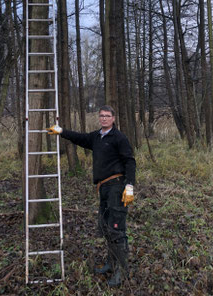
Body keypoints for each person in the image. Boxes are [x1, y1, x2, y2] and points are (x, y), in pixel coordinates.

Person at [47, 105, 136, 287]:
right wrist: (61, 131)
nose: (104, 119)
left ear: (113, 118)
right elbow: (80, 138)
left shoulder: (119, 138)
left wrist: (129, 185)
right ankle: (111, 264)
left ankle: (122, 271)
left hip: (117, 187)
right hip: (103, 188)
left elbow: (130, 161)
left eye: (107, 116)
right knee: (105, 227)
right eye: (101, 116)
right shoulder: (96, 137)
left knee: (117, 229)